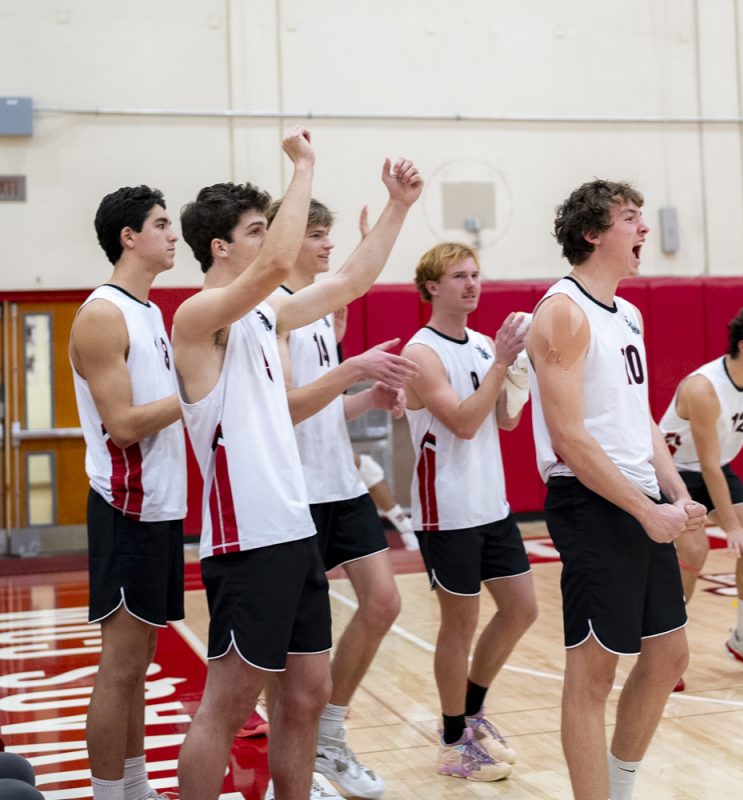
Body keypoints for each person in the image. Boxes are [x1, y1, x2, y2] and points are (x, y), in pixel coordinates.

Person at [172, 127, 422, 800]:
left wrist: (397, 207)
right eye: (258, 229)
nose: (273, 239)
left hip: (292, 532)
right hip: (245, 539)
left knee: (308, 695)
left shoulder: (266, 316)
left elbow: (350, 281)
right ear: (222, 247)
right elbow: (281, 263)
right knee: (226, 706)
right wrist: (305, 166)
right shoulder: (198, 318)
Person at [527, 180, 707, 800]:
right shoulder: (563, 312)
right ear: (592, 233)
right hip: (591, 502)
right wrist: (643, 509)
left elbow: (641, 421)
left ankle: (617, 784)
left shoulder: (627, 313)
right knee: (594, 673)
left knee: (667, 659)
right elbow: (570, 438)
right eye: (631, 219)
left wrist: (675, 495)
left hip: (639, 500)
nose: (644, 230)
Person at [268, 197, 416, 798]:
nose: (328, 246)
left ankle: (328, 737)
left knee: (383, 603)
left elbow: (326, 407)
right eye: (317, 235)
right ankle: (293, 773)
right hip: (295, 496)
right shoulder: (273, 309)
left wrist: (368, 400)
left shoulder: (326, 311)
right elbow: (285, 413)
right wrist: (354, 371)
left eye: (331, 236)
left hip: (343, 485)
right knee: (292, 650)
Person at [400, 242, 538, 782]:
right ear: (432, 287)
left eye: (476, 275)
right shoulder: (422, 353)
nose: (472, 284)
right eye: (459, 276)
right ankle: (455, 741)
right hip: (446, 510)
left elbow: (501, 421)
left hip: (490, 502)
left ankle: (473, 712)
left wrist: (518, 378)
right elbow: (460, 421)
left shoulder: (482, 344)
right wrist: (502, 363)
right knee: (459, 625)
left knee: (522, 608)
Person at [70, 186, 187, 800]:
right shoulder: (102, 315)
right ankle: (108, 795)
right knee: (119, 669)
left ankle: (136, 787)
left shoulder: (149, 312)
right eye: (162, 224)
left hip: (162, 506)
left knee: (140, 665)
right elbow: (122, 424)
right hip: (125, 506)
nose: (173, 235)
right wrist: (195, 395)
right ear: (129, 237)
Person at [658, 303, 743, 686]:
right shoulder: (703, 388)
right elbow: (708, 464)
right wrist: (729, 526)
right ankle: (665, 648)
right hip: (675, 473)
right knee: (695, 550)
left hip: (713, 465)